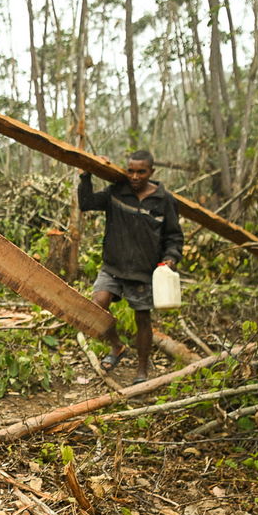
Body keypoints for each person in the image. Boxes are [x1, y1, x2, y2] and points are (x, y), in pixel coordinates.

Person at [77, 149, 183, 384]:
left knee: (142, 319)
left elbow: (174, 237)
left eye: (141, 172)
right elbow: (86, 203)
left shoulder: (164, 200)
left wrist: (171, 258)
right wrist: (86, 175)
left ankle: (142, 370)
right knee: (98, 305)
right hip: (113, 266)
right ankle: (117, 346)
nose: (135, 177)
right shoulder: (117, 191)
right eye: (131, 171)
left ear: (151, 172)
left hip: (143, 272)